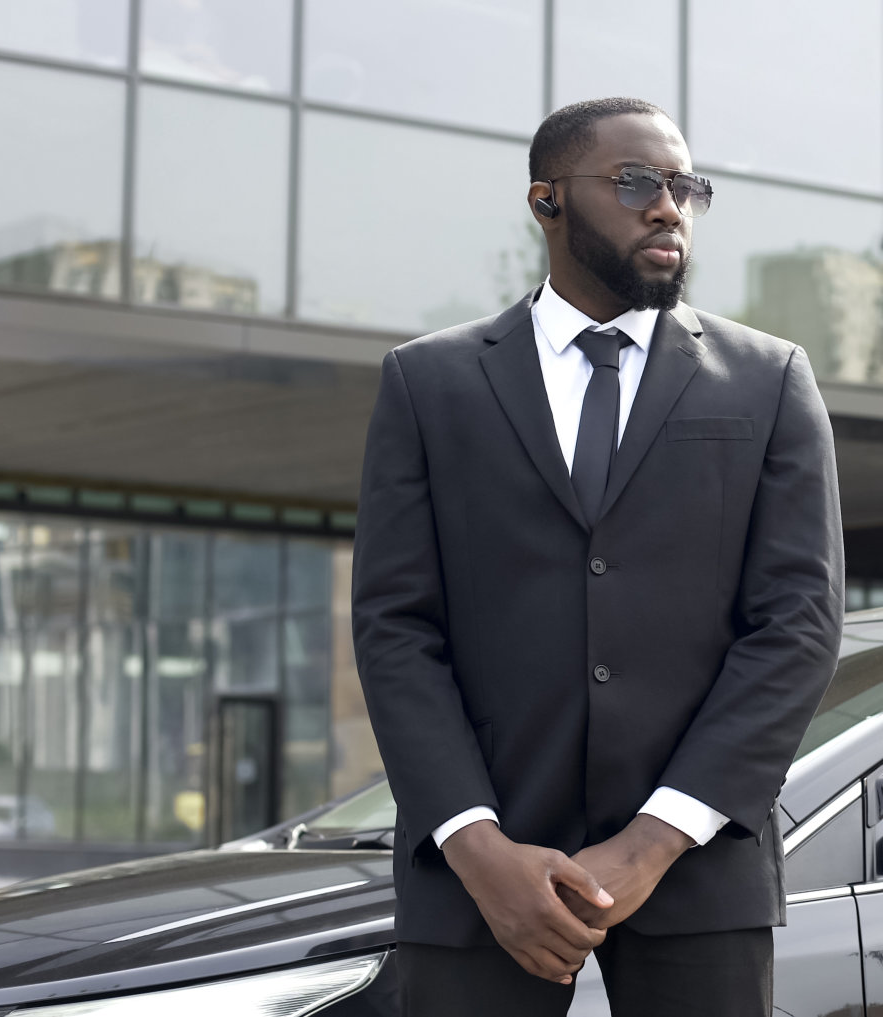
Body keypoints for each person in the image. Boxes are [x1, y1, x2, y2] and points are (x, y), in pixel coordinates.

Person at [350, 95, 845, 1016]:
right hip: (476, 885)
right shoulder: (428, 383)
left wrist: (654, 838)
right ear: (546, 202)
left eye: (686, 187)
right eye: (636, 183)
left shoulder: (770, 380)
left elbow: (799, 627)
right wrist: (474, 844)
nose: (669, 207)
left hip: (697, 876)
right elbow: (395, 630)